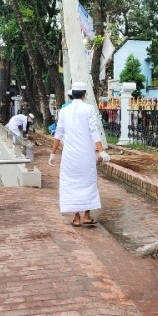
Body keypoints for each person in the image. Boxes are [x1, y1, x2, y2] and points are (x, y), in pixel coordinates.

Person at [49, 81, 111, 227]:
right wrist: (101, 151)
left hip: (69, 155)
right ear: (84, 94)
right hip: (85, 155)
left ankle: (76, 217)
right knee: (88, 183)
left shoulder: (64, 111)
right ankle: (87, 215)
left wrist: (52, 153)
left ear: (71, 95)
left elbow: (58, 133)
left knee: (70, 184)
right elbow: (94, 131)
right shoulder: (88, 109)